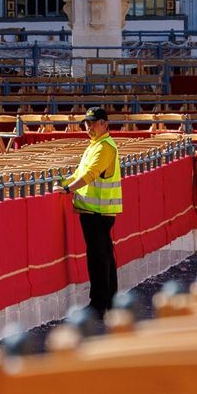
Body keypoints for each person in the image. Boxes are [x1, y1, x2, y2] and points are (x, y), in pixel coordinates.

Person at [60, 106, 122, 316]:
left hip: (98, 211)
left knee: (98, 258)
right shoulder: (95, 145)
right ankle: (109, 301)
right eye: (87, 123)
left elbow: (91, 174)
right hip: (93, 210)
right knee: (103, 256)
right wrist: (62, 183)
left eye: (93, 123)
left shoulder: (104, 147)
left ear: (104, 124)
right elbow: (80, 172)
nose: (89, 127)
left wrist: (68, 188)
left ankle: (99, 303)